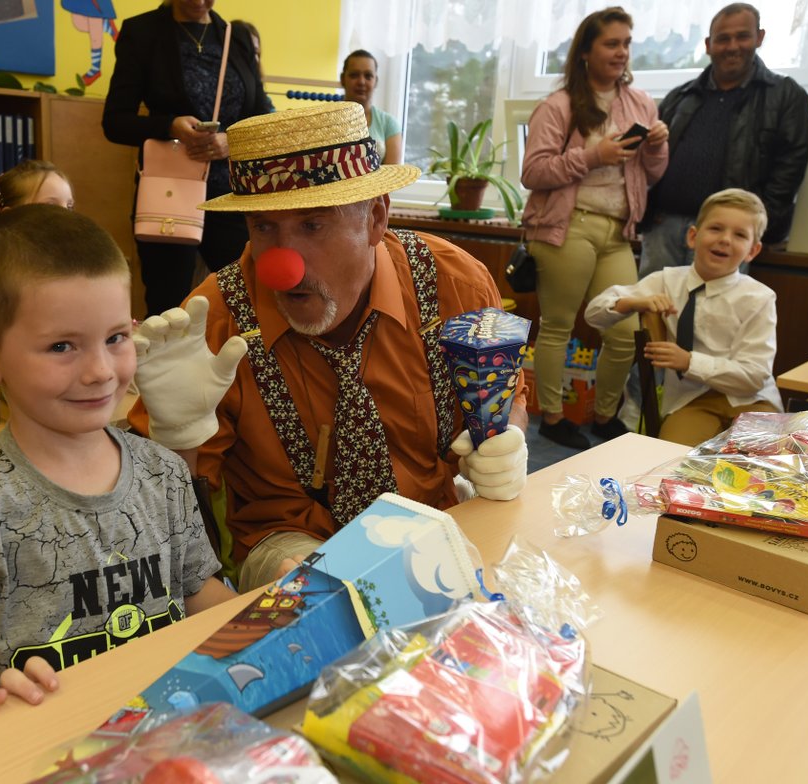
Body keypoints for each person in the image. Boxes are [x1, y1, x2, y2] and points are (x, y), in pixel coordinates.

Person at [129, 101, 530, 593]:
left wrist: (507, 443)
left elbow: (506, 398)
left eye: (312, 225)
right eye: (263, 228)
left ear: (376, 217)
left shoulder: (455, 283)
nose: (282, 263)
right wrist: (176, 440)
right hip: (286, 543)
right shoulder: (211, 319)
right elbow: (157, 516)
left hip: (440, 525)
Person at [0, 205, 235, 729]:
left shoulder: (163, 471)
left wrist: (263, 616)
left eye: (115, 337)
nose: (100, 371)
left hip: (168, 731)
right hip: (50, 747)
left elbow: (199, 589)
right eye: (62, 346)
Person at [521, 6, 668, 451]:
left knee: (624, 331)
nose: (621, 52)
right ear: (586, 51)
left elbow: (651, 174)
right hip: (568, 228)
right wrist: (593, 156)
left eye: (626, 43)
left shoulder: (641, 102)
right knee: (558, 327)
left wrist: (659, 148)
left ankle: (604, 416)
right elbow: (533, 171)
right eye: (611, 43)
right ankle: (550, 417)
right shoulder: (559, 105)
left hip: (617, 230)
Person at [103, 0, 271, 317]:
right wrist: (169, 125)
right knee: (169, 312)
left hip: (230, 196)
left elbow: (260, 117)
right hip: (170, 195)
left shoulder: (236, 38)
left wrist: (230, 142)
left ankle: (239, 369)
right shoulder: (142, 32)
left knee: (249, 303)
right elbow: (114, 122)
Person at [585, 188, 782, 446]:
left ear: (752, 251)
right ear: (692, 236)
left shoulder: (760, 298)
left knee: (759, 467)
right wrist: (632, 301)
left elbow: (754, 376)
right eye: (716, 228)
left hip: (754, 400)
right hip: (691, 400)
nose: (725, 239)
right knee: (670, 460)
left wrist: (689, 361)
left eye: (739, 235)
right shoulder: (666, 281)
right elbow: (594, 314)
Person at [638, 3, 808, 276]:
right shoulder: (680, 96)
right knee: (652, 312)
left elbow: (790, 167)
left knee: (714, 315)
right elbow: (650, 159)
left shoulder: (785, 95)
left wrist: (757, 227)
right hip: (664, 228)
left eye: (742, 36)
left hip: (729, 235)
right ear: (708, 45)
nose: (732, 46)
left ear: (759, 37)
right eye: (723, 38)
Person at [0, 160, 76, 351]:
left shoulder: (72, 272)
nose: (65, 215)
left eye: (68, 206)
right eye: (50, 205)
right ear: (9, 217)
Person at [340, 49, 402, 164]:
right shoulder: (326, 122)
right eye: (354, 75)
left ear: (376, 81)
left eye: (368, 76)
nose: (361, 82)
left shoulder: (389, 124)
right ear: (343, 79)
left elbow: (392, 176)